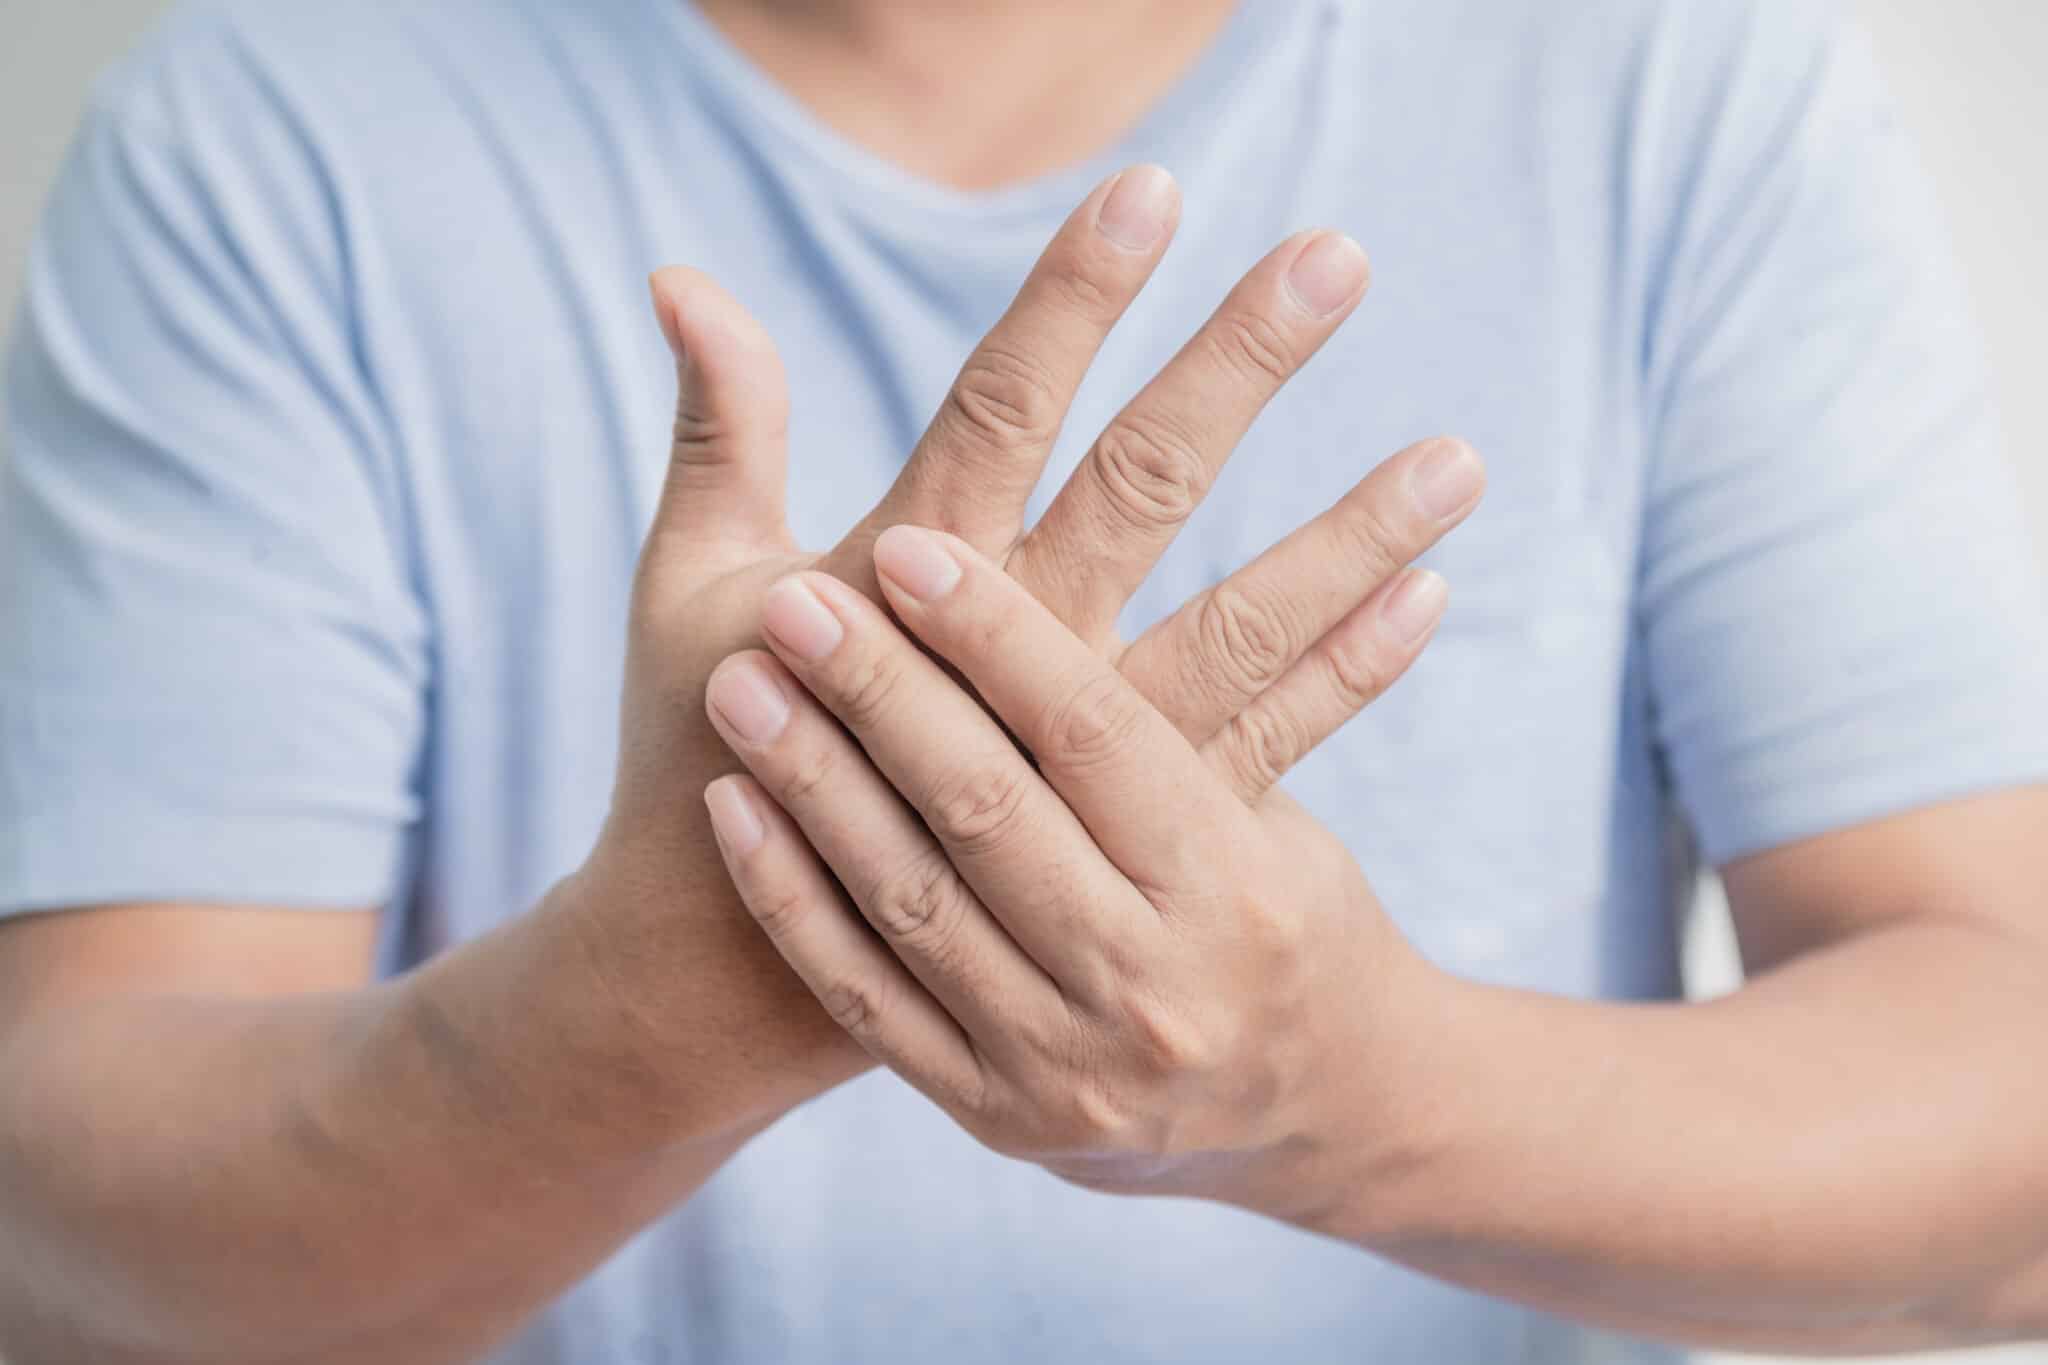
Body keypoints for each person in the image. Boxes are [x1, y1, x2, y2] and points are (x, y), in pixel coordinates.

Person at [2, 0, 2046, 1360]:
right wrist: (649, 1014)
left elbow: (2009, 1131)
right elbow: (69, 1240)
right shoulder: (271, 127)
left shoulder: (1663, 77)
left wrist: (1350, 1092)